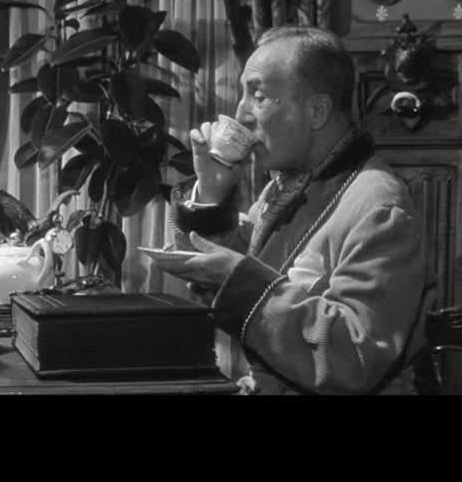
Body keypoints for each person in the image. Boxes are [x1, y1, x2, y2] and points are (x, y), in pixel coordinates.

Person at [153, 25, 434, 395]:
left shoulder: (379, 207)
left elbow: (354, 359)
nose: (241, 114)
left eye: (258, 96)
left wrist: (239, 284)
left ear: (317, 110)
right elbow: (232, 260)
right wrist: (211, 189)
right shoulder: (283, 188)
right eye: (243, 95)